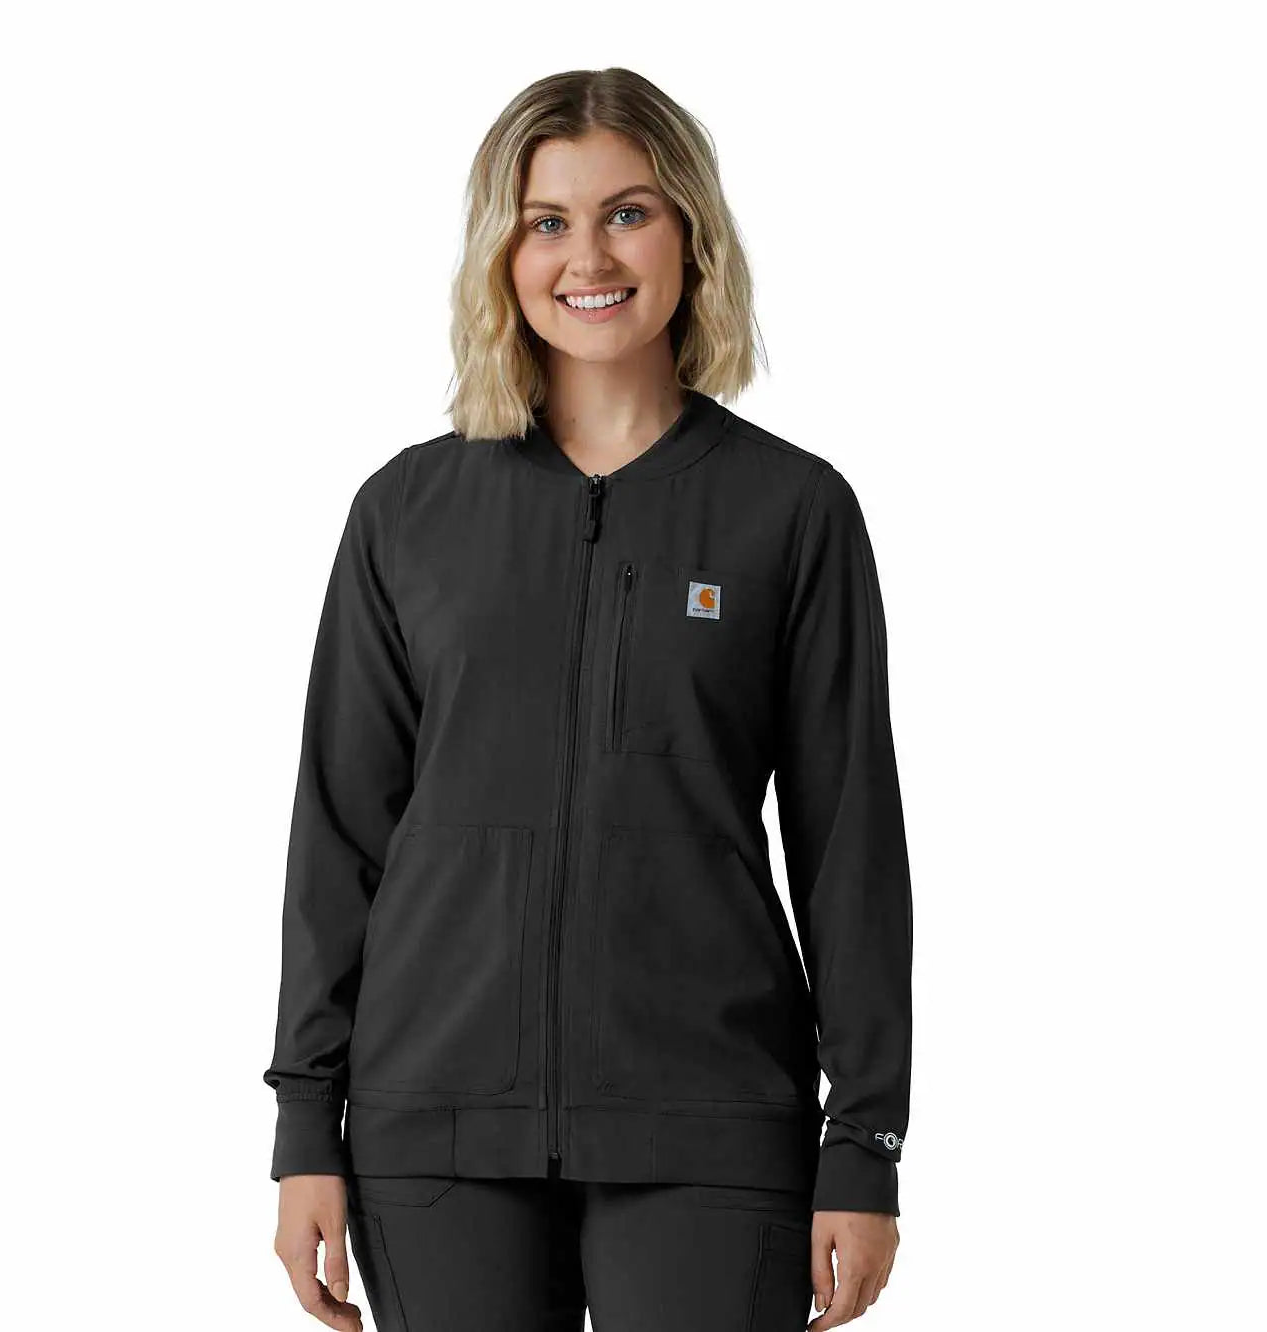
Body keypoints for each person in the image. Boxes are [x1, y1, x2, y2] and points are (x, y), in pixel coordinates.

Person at [263, 67, 913, 1332]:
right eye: (545, 222)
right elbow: (337, 837)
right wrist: (304, 1123)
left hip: (710, 1124)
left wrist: (865, 1140)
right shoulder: (406, 513)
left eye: (627, 213)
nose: (587, 257)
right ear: (500, 254)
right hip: (434, 1130)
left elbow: (849, 850)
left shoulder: (790, 513)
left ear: (690, 234)